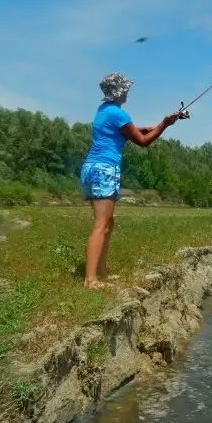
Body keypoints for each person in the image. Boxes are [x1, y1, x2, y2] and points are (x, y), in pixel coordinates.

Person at [80, 72, 180, 289]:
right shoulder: (118, 114)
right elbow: (142, 141)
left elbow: (132, 131)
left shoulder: (104, 111)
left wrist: (159, 124)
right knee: (100, 225)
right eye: (125, 89)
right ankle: (91, 280)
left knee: (108, 223)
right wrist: (164, 124)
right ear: (119, 91)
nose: (128, 92)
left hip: (92, 168)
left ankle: (101, 272)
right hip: (104, 169)